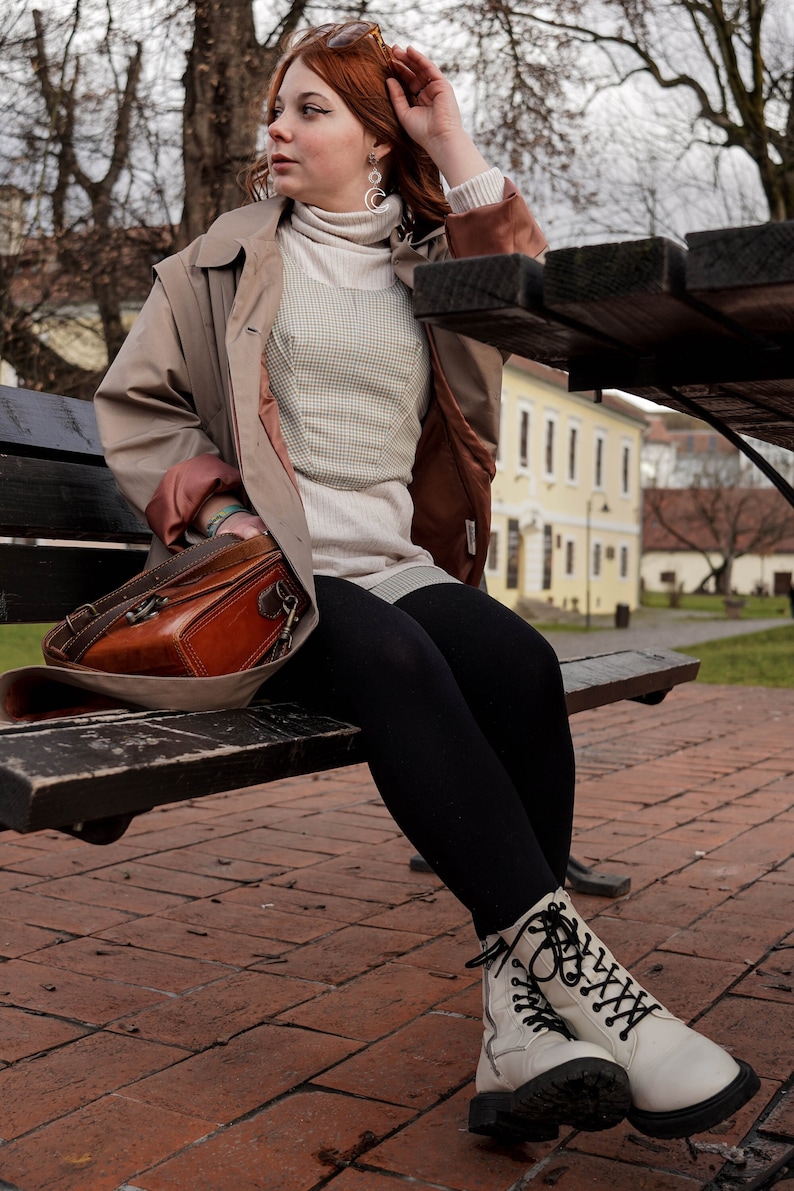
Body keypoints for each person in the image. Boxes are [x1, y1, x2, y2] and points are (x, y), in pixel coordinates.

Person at [93, 21, 759, 1144]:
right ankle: (606, 1001)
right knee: (400, 662)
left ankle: (519, 1023)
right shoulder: (219, 258)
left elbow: (529, 294)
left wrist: (452, 143)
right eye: (275, 108)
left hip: (394, 564)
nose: (277, 129)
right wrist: (217, 506)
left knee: (515, 661)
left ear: (370, 138)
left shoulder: (432, 267)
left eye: (310, 110)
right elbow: (141, 411)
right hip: (271, 581)